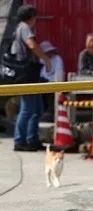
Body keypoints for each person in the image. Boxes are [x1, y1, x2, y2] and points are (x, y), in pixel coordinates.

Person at [11, 5, 52, 152]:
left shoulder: (20, 28)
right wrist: (46, 59)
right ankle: (19, 140)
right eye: (34, 16)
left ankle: (32, 138)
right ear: (30, 16)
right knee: (28, 109)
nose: (36, 20)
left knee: (37, 108)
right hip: (27, 74)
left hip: (31, 74)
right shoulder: (25, 28)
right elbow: (32, 45)